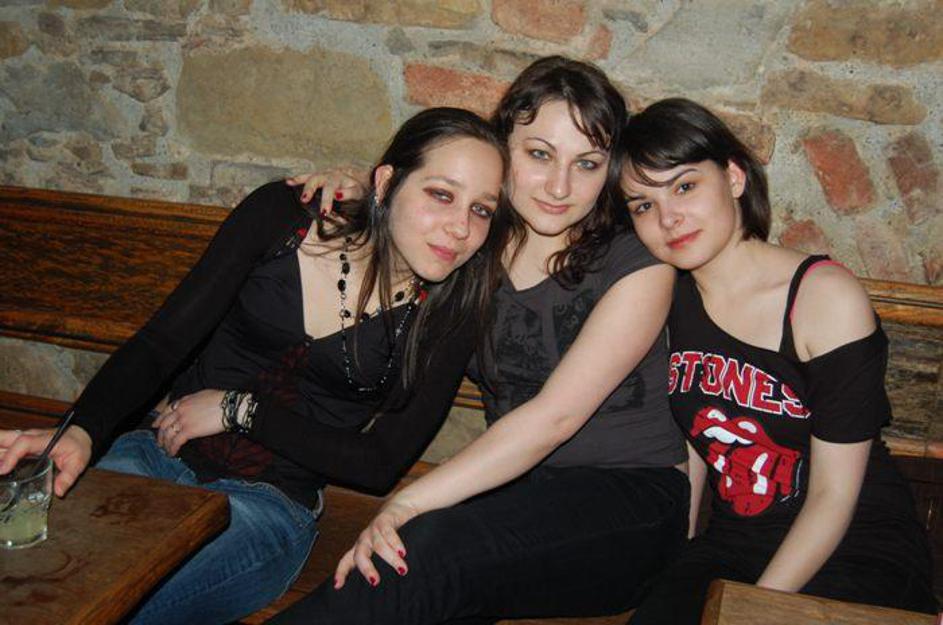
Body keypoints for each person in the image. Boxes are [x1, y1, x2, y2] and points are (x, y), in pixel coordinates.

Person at [0, 107, 509, 625]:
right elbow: (162, 342)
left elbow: (378, 463)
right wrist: (82, 430)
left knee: (115, 605)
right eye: (441, 194)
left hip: (266, 507)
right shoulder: (284, 216)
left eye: (482, 209)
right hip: (155, 455)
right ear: (385, 183)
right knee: (28, 575)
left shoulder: (454, 311)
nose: (460, 227)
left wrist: (238, 410)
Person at [268, 56, 689, 625]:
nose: (560, 186)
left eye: (587, 163)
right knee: (428, 585)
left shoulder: (636, 262)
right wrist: (363, 187)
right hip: (515, 498)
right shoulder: (468, 249)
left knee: (428, 551)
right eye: (539, 154)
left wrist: (409, 501)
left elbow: (555, 418)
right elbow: (399, 218)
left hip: (632, 504)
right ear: (503, 146)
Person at [619, 98, 937, 623]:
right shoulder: (666, 298)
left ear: (734, 177)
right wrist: (682, 556)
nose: (668, 218)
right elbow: (693, 442)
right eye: (642, 206)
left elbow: (834, 495)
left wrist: (752, 609)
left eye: (685, 186)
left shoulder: (824, 297)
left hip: (856, 548)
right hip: (733, 546)